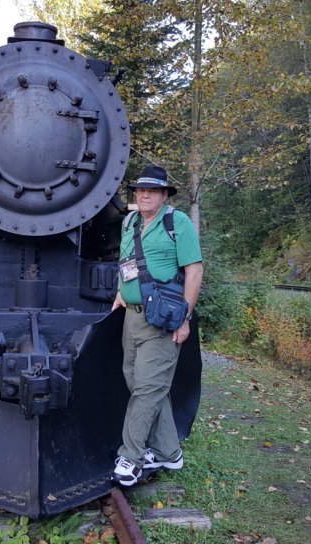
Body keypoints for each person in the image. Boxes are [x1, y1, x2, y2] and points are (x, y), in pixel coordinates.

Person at [110, 165, 203, 487]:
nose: (145, 195)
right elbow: (128, 263)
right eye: (140, 190)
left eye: (152, 190)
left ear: (164, 195)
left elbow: (194, 271)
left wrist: (185, 318)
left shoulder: (178, 223)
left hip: (163, 319)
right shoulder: (130, 222)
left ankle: (131, 457)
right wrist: (121, 292)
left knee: (148, 389)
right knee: (143, 385)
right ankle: (168, 452)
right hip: (132, 317)